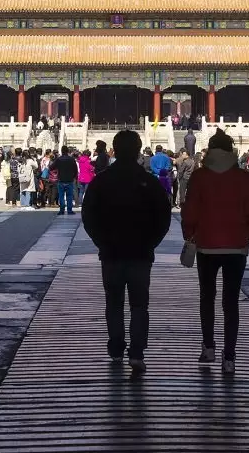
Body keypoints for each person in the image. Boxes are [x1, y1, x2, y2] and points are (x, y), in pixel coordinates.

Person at [81, 129, 171, 372]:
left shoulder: (101, 181)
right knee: (139, 304)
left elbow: (88, 216)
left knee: (114, 302)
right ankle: (137, 351)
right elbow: (163, 218)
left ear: (115, 150)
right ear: (138, 150)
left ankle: (116, 347)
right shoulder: (149, 182)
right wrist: (151, 243)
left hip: (111, 252)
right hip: (141, 253)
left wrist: (101, 241)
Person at [181, 129, 249, 375]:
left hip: (206, 245)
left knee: (207, 297)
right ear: (231, 150)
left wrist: (190, 234)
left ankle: (208, 347)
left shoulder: (200, 176)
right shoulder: (243, 177)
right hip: (236, 246)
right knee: (231, 301)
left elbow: (190, 211)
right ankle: (229, 356)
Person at [54, 145, 79, 215]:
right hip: (69, 180)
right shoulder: (72, 159)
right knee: (69, 196)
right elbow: (76, 170)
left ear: (61, 151)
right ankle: (69, 210)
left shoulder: (59, 159)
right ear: (67, 151)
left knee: (61, 196)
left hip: (61, 180)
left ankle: (62, 210)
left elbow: (51, 167)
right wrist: (73, 177)